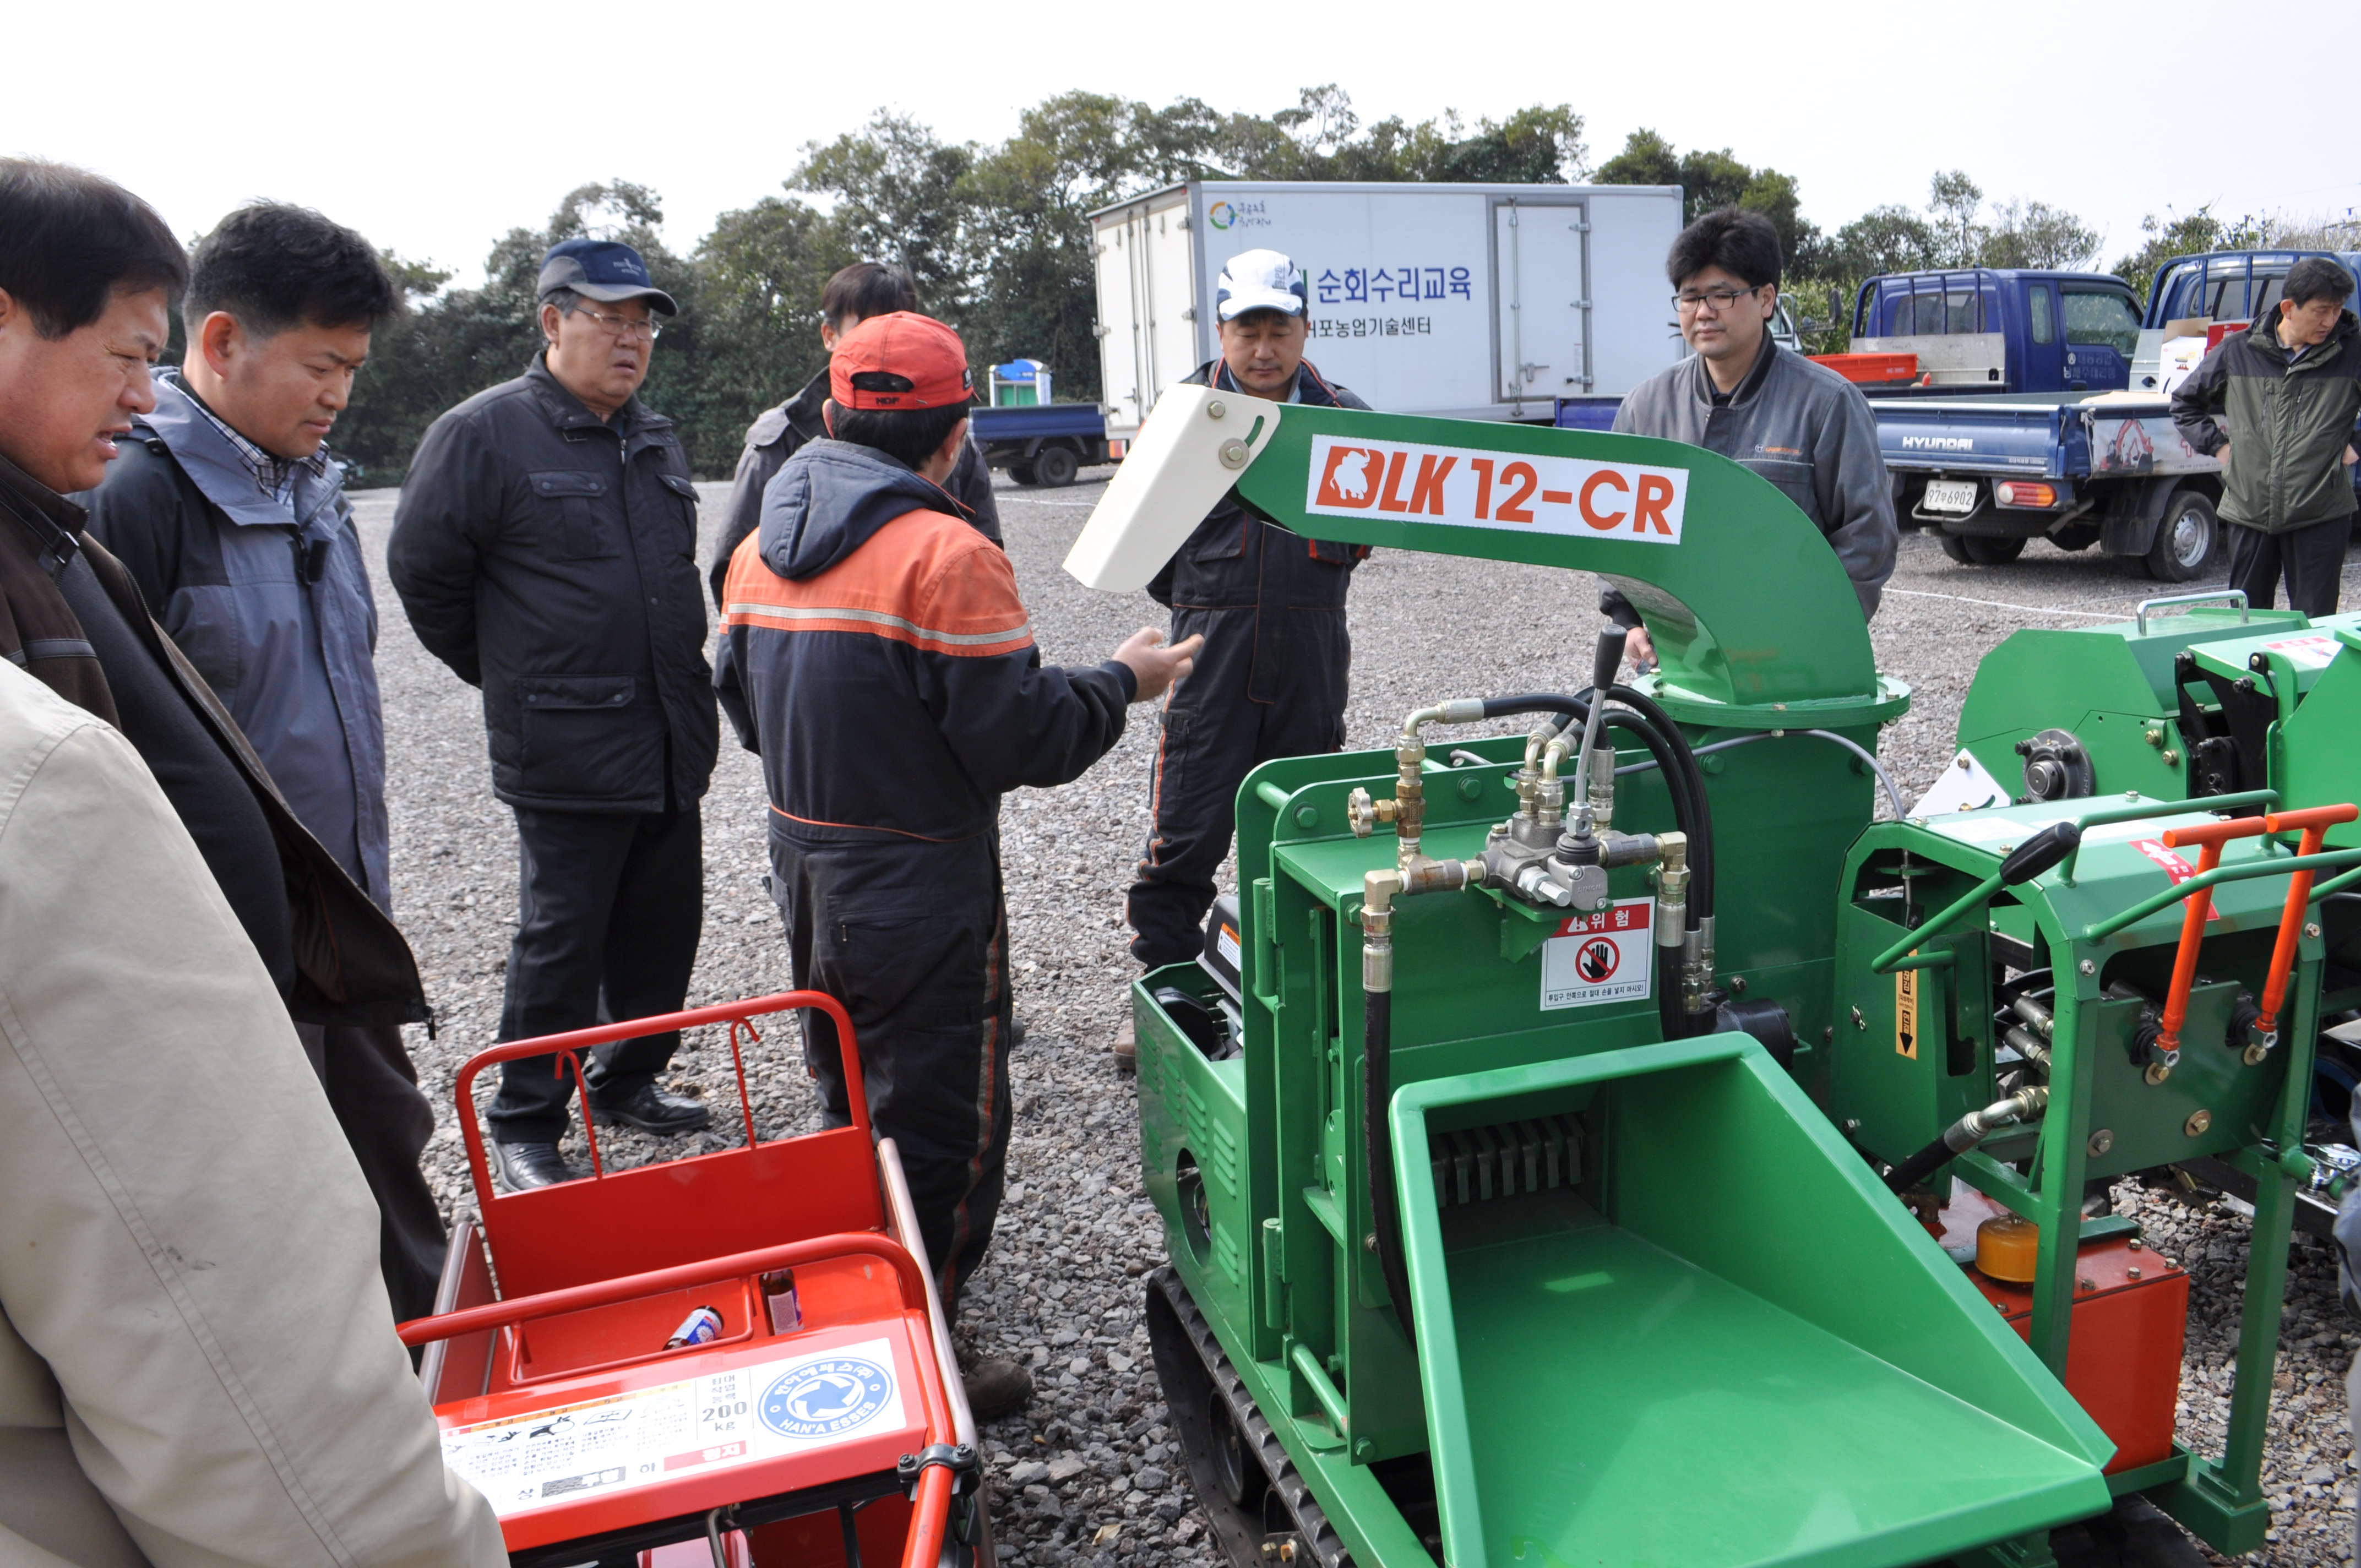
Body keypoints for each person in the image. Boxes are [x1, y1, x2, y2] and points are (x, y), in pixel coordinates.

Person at [0, 155, 502, 1568]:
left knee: (381, 1191)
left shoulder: (300, 492)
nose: (139, 394)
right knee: (277, 1286)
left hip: (313, 946)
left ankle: (437, 1428)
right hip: (194, 1002)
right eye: (127, 356)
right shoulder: (125, 503)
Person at [714, 312, 1198, 1416]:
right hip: (919, 883)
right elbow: (1023, 736)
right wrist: (1123, 680)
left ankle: (864, 1269)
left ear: (831, 417)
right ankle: (924, 1334)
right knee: (939, 1114)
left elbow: (739, 702)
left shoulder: (750, 551)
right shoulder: (945, 554)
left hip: (802, 862)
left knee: (843, 1079)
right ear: (952, 439)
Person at [80, 202, 447, 1325]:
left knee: (389, 1154)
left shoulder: (314, 490)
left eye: (353, 368)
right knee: (276, 1205)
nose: (339, 393)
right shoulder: (134, 496)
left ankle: (448, 1380)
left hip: (340, 916)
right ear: (224, 341)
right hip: (222, 948)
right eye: (321, 364)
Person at [389, 238, 719, 1191]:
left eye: (642, 321)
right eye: (608, 318)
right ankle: (526, 1116)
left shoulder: (651, 435)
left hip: (666, 733)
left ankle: (627, 1080)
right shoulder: (483, 434)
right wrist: (513, 678)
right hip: (567, 744)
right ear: (551, 322)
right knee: (563, 939)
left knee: (665, 928)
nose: (630, 338)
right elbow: (425, 575)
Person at [1122, 249, 1369, 1015]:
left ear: (1306, 329)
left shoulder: (1348, 420)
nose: (1264, 350)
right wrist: (1209, 603)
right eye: (1247, 331)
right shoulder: (1181, 420)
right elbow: (1149, 551)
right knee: (1186, 830)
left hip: (1312, 647)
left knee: (1304, 819)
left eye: (1280, 330)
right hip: (1209, 648)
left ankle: (1296, 993)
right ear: (1221, 331)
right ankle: (1164, 989)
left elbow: (1365, 537)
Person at [1607, 206, 1897, 671]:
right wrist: (1628, 620)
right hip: (1672, 667)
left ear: (1766, 299)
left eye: (1722, 294)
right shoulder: (1646, 407)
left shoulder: (1827, 404)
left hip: (1791, 665)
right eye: (1690, 296)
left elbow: (1868, 539)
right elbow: (1616, 532)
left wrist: (1802, 630)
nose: (1703, 312)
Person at [708, 260, 999, 609]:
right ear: (829, 336)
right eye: (870, 326)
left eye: (901, 325)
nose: (886, 342)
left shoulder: (950, 436)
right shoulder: (781, 437)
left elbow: (986, 567)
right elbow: (736, 573)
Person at [2170, 255, 2361, 618]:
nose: (2331, 321)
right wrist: (2222, 448)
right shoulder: (2240, 351)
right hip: (2249, 510)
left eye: (2337, 311)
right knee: (2246, 623)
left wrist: (2356, 447)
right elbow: (2184, 402)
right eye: (2321, 311)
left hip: (2320, 514)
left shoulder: (2353, 353)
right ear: (2289, 308)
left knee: (2314, 630)